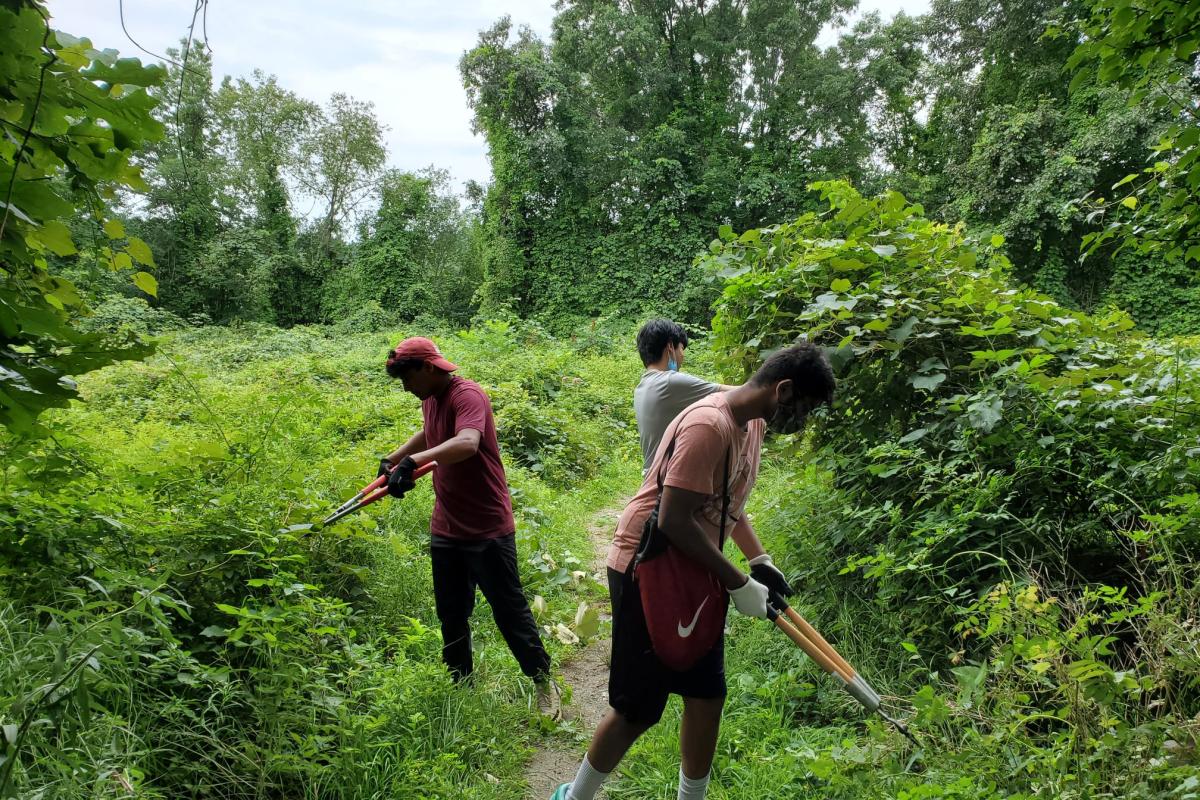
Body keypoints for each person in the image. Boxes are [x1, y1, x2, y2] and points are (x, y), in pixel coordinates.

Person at [551, 343, 835, 800]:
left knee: (706, 694)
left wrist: (759, 561)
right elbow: (673, 519)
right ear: (782, 389)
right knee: (638, 708)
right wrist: (737, 581)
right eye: (802, 408)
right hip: (647, 566)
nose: (800, 422)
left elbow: (726, 504)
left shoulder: (753, 422)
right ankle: (575, 796)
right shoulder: (710, 425)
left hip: (695, 566)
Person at [380, 336, 558, 715]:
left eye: (408, 378)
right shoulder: (431, 398)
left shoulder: (467, 395)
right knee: (451, 612)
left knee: (508, 609)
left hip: (487, 527)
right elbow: (432, 433)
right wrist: (395, 458)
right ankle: (460, 686)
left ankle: (544, 683)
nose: (406, 387)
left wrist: (416, 463)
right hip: (446, 527)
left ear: (428, 367)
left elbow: (466, 442)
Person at [634, 319, 734, 474]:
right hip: (667, 479)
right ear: (670, 347)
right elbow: (735, 393)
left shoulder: (644, 384)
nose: (682, 356)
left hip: (653, 475)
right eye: (681, 348)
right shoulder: (669, 382)